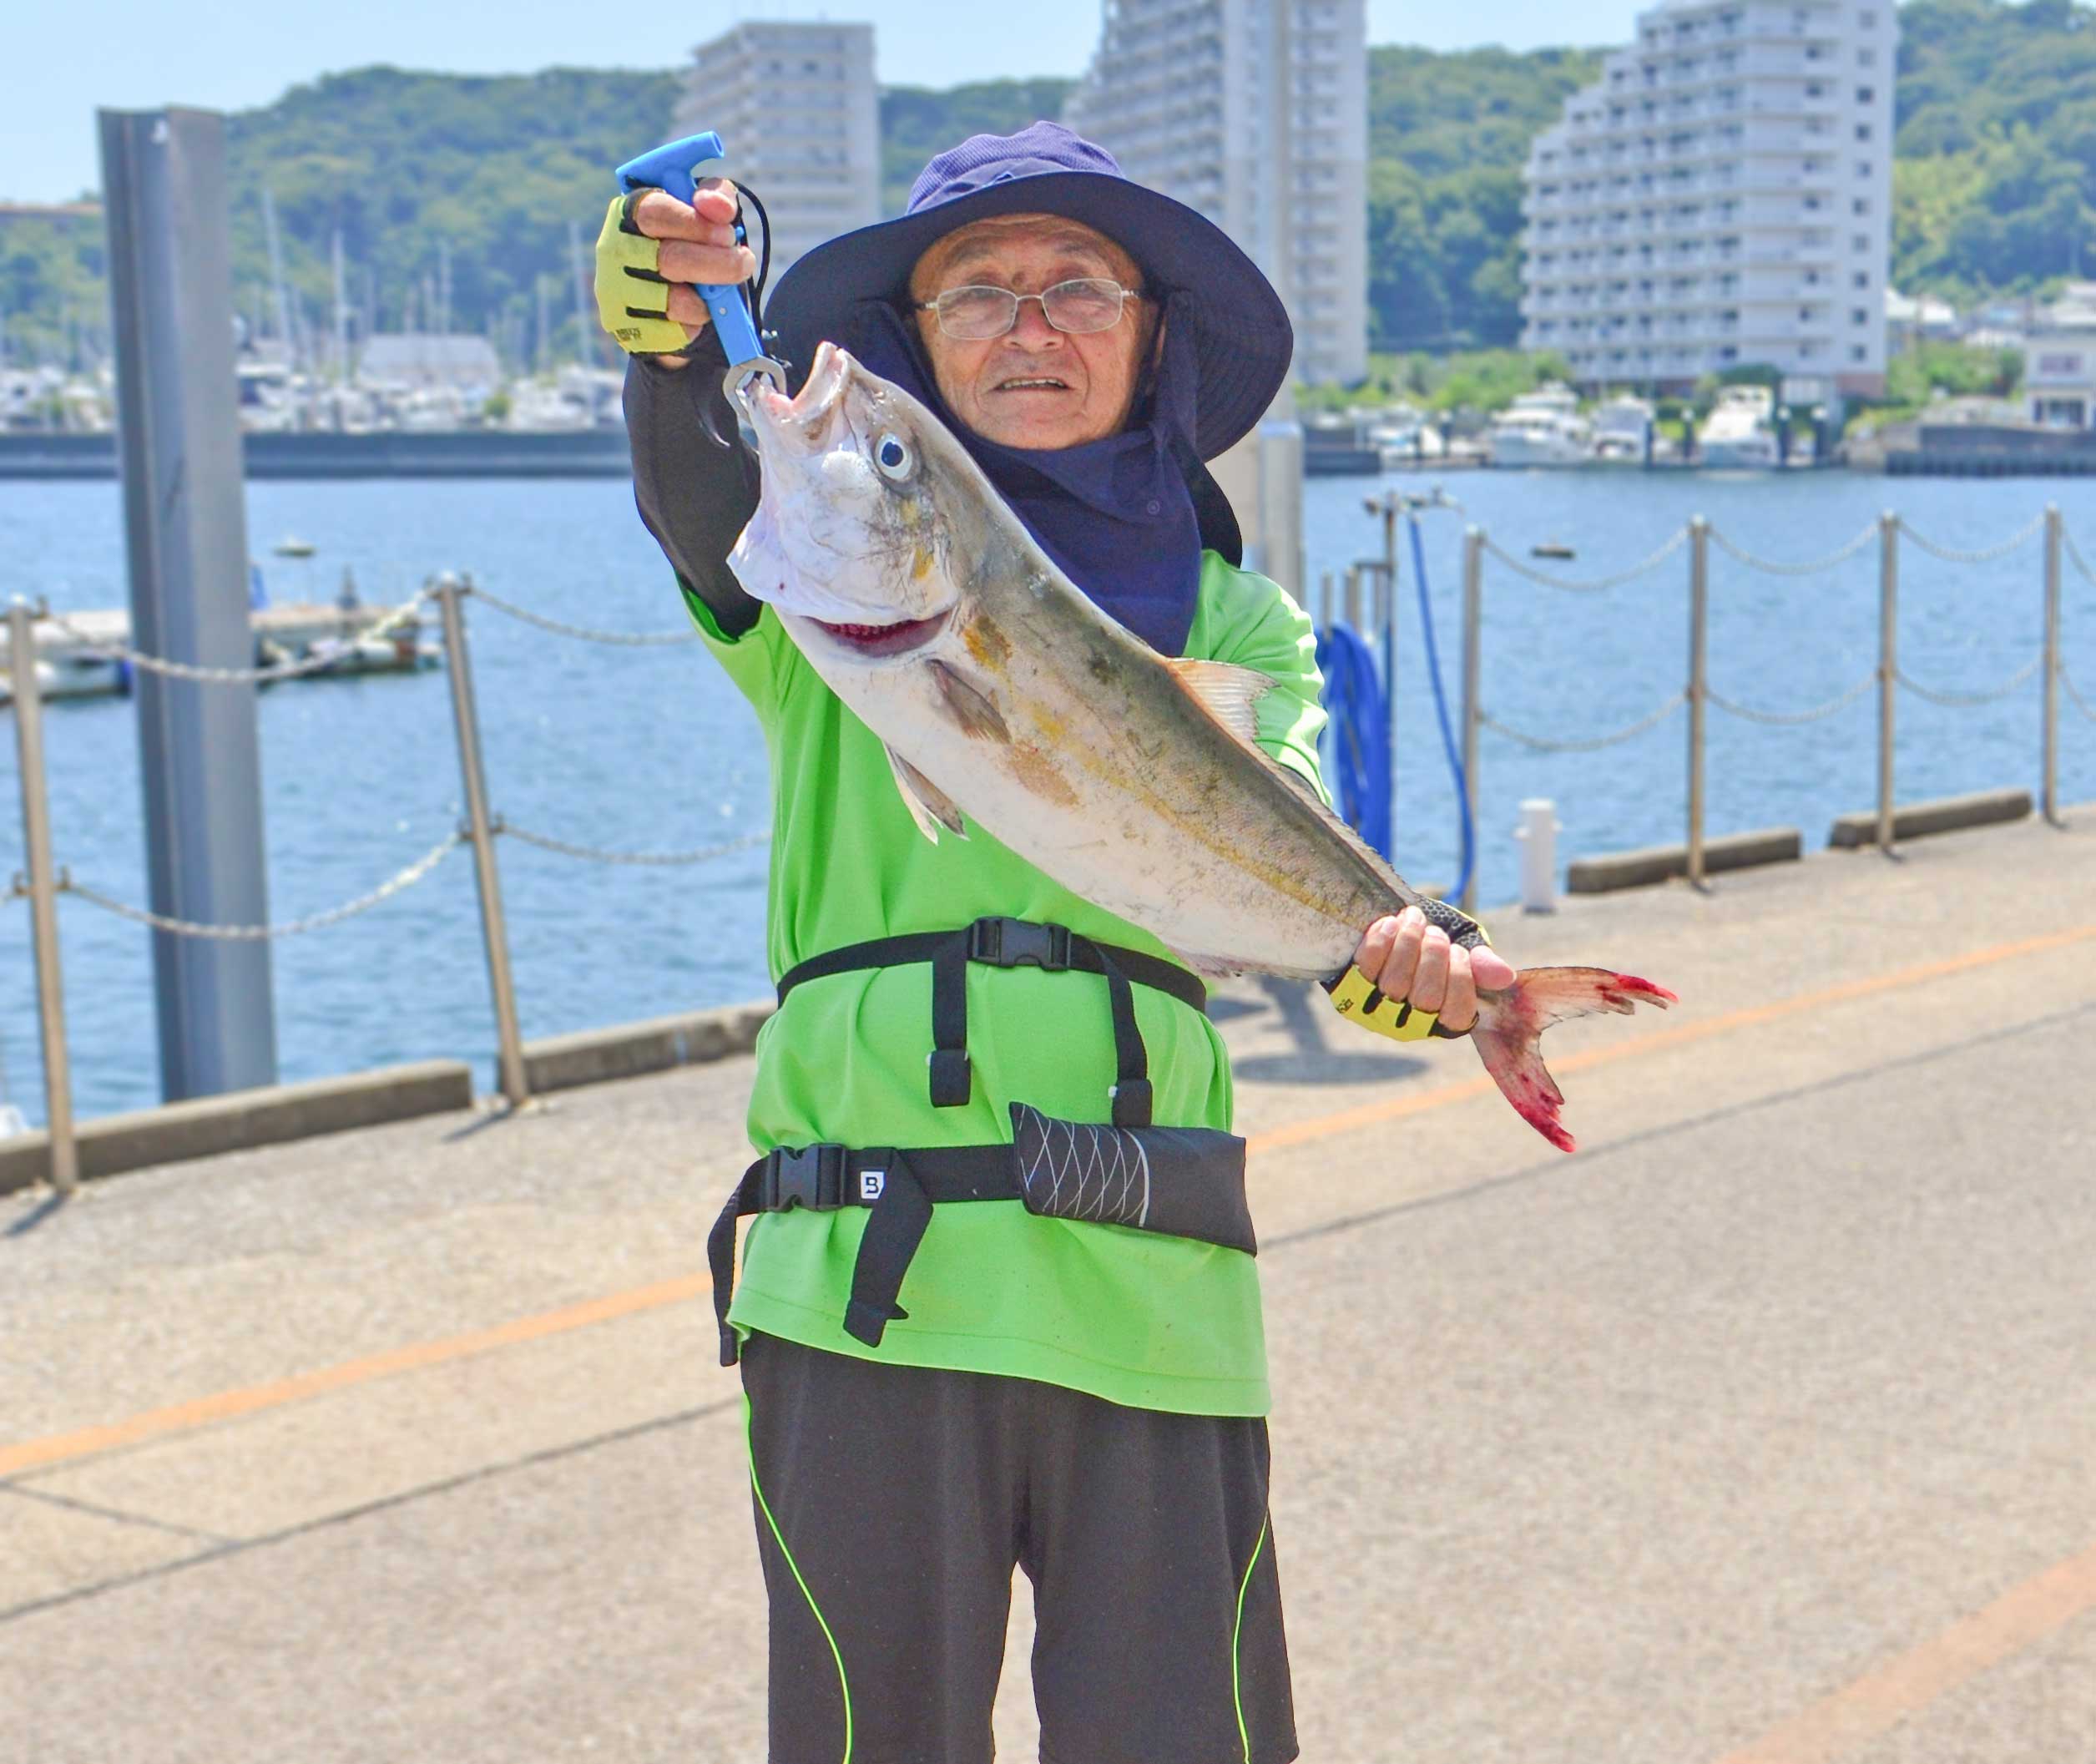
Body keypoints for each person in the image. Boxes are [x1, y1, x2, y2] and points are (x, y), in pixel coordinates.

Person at [598, 123, 1514, 1764]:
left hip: (1153, 1294)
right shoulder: (819, 596)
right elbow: (696, 488)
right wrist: (681, 334)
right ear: (912, 348)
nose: (1032, 324)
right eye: (977, 293)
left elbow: (1291, 863)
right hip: (866, 1296)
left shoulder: (1233, 622)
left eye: (1076, 285)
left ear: (1148, 331)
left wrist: (1406, 973)